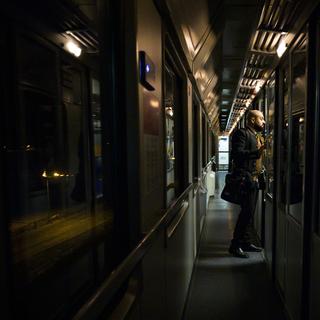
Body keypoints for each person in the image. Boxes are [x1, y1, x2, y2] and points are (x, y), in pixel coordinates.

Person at [228, 110, 266, 258]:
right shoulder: (241, 134)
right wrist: (257, 152)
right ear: (251, 120)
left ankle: (245, 242)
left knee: (249, 213)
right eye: (261, 119)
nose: (263, 122)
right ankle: (235, 245)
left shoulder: (256, 135)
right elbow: (237, 154)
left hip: (254, 179)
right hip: (246, 179)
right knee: (246, 212)